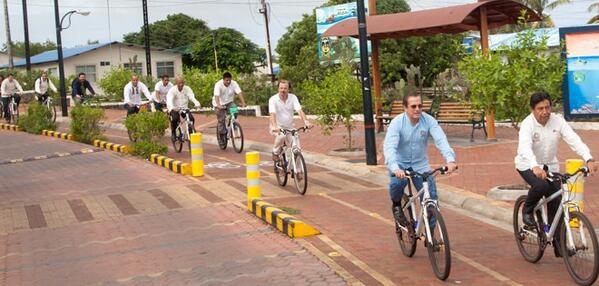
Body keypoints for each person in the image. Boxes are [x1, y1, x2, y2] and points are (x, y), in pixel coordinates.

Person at [515, 91, 597, 257]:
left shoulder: (557, 121)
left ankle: (559, 246)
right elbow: (524, 147)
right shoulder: (527, 124)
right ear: (532, 110)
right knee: (540, 185)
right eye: (540, 108)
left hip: (550, 166)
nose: (545, 111)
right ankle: (527, 211)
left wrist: (588, 158)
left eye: (547, 107)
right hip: (527, 164)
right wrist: (534, 166)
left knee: (557, 201)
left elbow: (573, 139)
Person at [383, 92, 458, 227]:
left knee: (432, 200)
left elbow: (441, 139)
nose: (417, 109)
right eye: (413, 106)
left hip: (420, 164)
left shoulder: (428, 120)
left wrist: (450, 160)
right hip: (400, 164)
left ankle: (430, 236)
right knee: (397, 183)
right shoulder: (397, 123)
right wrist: (395, 167)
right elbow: (390, 147)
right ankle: (396, 205)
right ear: (405, 108)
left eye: (420, 106)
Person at [268, 80, 312, 165]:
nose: (283, 90)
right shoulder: (273, 99)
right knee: (281, 136)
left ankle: (298, 171)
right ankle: (275, 152)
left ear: (288, 89)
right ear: (278, 89)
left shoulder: (293, 97)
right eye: (281, 88)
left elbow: (299, 110)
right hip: (278, 126)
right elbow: (272, 114)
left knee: (297, 149)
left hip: (290, 127)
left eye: (285, 88)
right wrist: (275, 126)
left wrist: (306, 122)